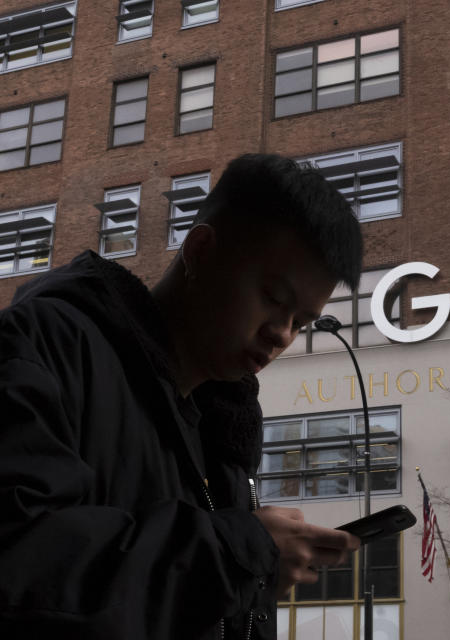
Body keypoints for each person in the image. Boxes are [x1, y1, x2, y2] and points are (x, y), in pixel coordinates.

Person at [0, 154, 364, 639]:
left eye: (301, 323)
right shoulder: (44, 346)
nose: (281, 334)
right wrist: (233, 554)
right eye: (274, 298)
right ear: (200, 251)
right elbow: (21, 562)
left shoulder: (221, 435)